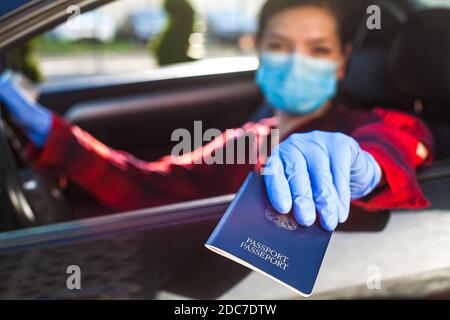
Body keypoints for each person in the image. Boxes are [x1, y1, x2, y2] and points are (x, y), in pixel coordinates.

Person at [0, 0, 433, 232]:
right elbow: (148, 183)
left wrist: (364, 166)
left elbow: (399, 141)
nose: (297, 61)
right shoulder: (245, 140)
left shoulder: (362, 127)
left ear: (342, 62)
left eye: (318, 50)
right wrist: (52, 132)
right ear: (258, 51)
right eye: (280, 46)